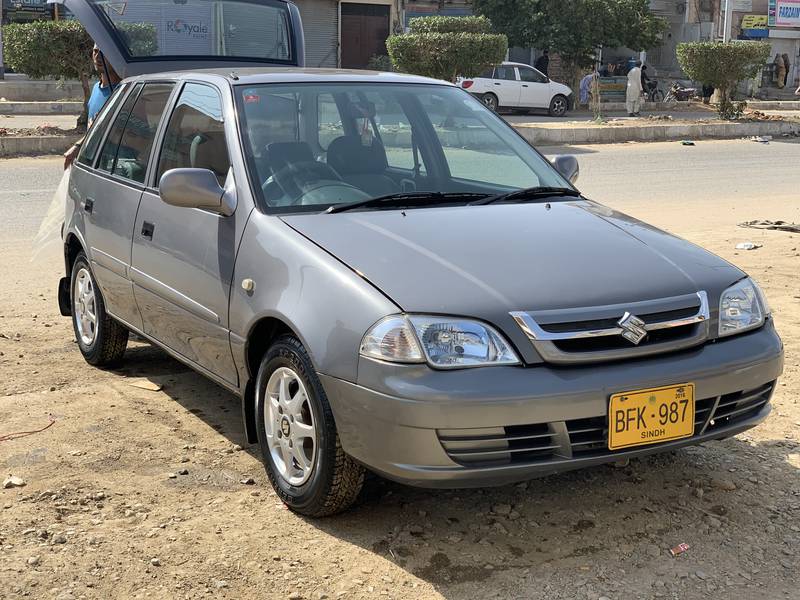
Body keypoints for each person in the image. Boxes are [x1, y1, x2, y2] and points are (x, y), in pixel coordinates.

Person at [63, 44, 121, 169]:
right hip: (93, 166)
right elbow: (95, 130)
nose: (98, 56)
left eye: (104, 52)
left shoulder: (124, 91)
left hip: (114, 169)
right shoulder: (96, 88)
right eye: (95, 51)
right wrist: (78, 147)